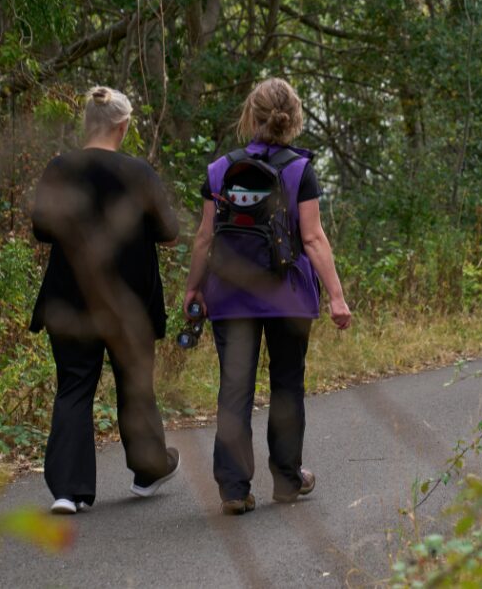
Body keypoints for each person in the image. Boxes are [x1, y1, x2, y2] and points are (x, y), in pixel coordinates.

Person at [184, 78, 352, 515]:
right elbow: (312, 238)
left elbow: (204, 238)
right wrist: (336, 296)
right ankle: (287, 480)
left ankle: (233, 488)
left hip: (230, 296)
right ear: (293, 118)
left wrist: (193, 287)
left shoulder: (219, 170)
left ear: (250, 116)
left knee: (234, 387)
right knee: (287, 384)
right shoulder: (299, 170)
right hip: (288, 296)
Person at [29, 86, 181, 514]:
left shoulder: (60, 167)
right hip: (129, 302)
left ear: (87, 123)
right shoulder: (138, 173)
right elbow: (169, 232)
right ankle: (148, 470)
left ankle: (68, 490)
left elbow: (41, 228)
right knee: (135, 384)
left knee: (74, 386)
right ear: (123, 126)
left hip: (70, 298)